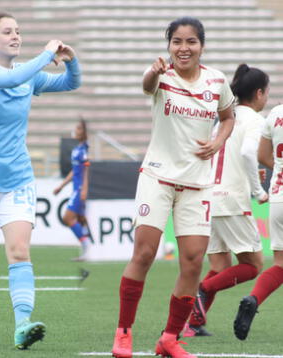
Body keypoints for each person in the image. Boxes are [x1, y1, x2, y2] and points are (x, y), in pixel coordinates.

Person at [0, 12, 81, 349]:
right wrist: (45, 54)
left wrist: (70, 60)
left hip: (19, 179)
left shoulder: (28, 75)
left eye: (18, 31)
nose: (15, 36)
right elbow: (11, 80)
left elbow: (70, 83)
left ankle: (22, 324)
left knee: (20, 251)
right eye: (7, 32)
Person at [110, 17, 235, 358]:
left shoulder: (217, 80)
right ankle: (123, 333)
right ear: (169, 45)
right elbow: (147, 85)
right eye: (177, 41)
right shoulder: (161, 75)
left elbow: (228, 117)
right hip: (158, 178)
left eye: (191, 41)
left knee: (193, 262)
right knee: (145, 253)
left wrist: (217, 142)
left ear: (201, 46)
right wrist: (153, 71)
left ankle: (169, 339)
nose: (183, 48)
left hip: (197, 184)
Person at [182, 64, 269, 338]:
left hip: (209, 198)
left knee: (220, 267)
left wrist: (251, 172)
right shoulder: (255, 119)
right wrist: (257, 190)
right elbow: (245, 152)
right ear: (258, 93)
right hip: (233, 201)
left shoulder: (223, 119)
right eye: (266, 92)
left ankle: (191, 324)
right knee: (253, 265)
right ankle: (202, 290)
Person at [233, 103, 283, 340]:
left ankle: (253, 298)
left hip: (278, 198)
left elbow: (262, 156)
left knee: (280, 264)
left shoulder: (275, 113)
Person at [53, 118, 92, 261]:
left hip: (79, 189)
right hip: (75, 188)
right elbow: (74, 171)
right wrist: (61, 186)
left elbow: (86, 170)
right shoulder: (76, 149)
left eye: (79, 129)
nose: (76, 131)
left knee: (67, 218)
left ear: (84, 133)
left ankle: (88, 248)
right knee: (81, 220)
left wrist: (84, 190)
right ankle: (88, 251)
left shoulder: (84, 149)